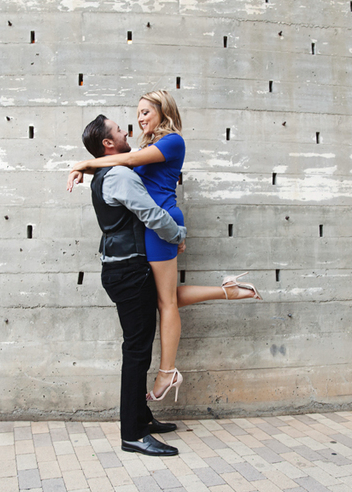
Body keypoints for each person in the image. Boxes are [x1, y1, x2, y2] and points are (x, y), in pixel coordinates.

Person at [68, 91, 262, 404]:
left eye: (146, 111)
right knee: (163, 297)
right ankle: (228, 290)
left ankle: (167, 372)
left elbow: (128, 161)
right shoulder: (148, 147)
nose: (140, 119)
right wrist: (85, 169)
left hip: (161, 223)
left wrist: (84, 162)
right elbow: (122, 166)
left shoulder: (172, 141)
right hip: (153, 226)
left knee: (165, 303)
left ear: (163, 111)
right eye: (138, 113)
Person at [79, 114, 181, 456]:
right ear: (109, 144)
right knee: (137, 353)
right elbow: (150, 214)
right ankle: (133, 434)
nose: (127, 132)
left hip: (118, 269)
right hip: (130, 271)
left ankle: (143, 416)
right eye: (120, 131)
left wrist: (86, 166)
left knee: (137, 349)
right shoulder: (120, 174)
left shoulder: (103, 175)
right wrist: (178, 234)